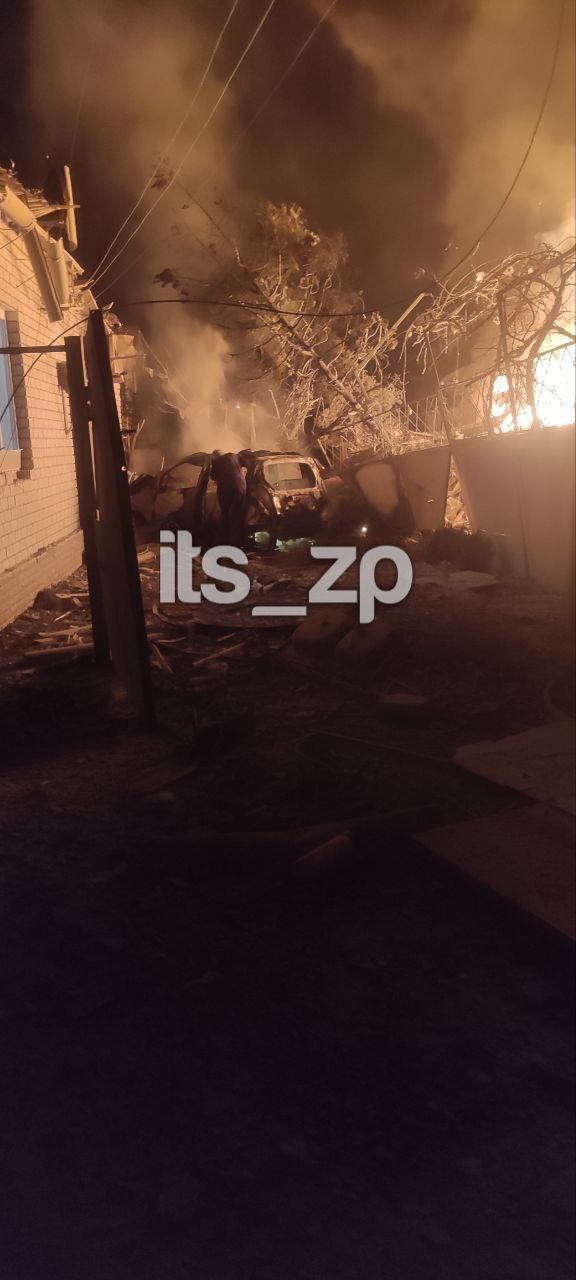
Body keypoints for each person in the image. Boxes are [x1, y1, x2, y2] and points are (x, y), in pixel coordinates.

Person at [210, 450, 247, 547]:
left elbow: (212, 476)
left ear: (214, 457)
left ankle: (225, 541)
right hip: (241, 487)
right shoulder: (233, 455)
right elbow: (245, 464)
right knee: (238, 515)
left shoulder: (217, 461)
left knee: (225, 514)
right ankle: (239, 541)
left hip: (226, 490)